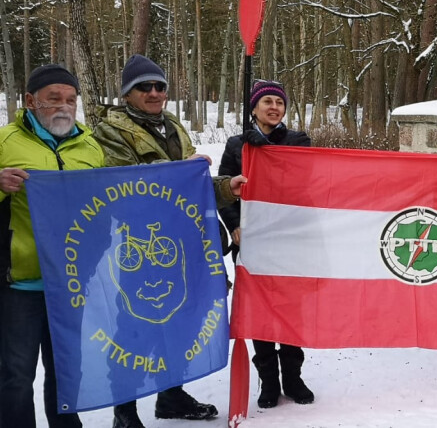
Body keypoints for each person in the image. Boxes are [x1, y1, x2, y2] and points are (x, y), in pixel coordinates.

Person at [92, 54, 244, 428]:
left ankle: (170, 396)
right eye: (144, 87)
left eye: (160, 86)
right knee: (136, 325)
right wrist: (169, 173)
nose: (155, 92)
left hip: (186, 238)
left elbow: (192, 185)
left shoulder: (173, 125)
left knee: (184, 320)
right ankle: (124, 410)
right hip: (141, 244)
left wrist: (226, 187)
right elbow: (117, 184)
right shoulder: (110, 131)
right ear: (127, 93)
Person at [0, 64, 104, 428]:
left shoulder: (90, 145)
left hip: (71, 283)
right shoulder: (5, 141)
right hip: (20, 283)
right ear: (30, 101)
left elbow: (113, 199)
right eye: (53, 99)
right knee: (15, 375)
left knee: (66, 372)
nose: (63, 107)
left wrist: (195, 177)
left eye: (71, 99)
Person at [218, 79, 315, 408]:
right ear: (254, 108)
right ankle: (269, 381)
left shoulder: (298, 141)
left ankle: (293, 376)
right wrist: (234, 226)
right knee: (259, 311)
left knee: (290, 313)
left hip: (291, 242)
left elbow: (307, 181)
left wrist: (264, 149)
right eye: (267, 101)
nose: (274, 107)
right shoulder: (236, 146)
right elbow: (224, 191)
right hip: (254, 243)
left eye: (279, 102)